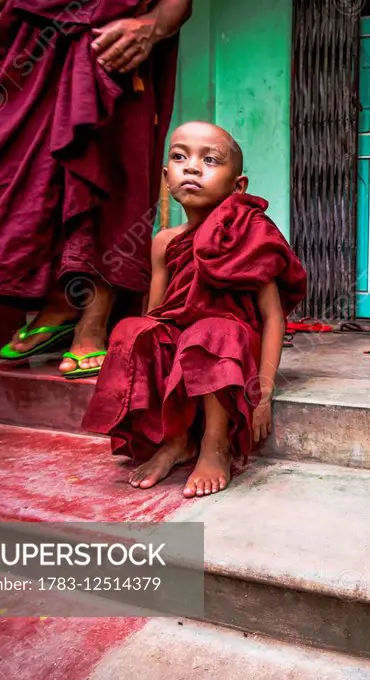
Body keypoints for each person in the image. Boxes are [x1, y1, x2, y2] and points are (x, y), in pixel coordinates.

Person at [0, 0, 191, 378]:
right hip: (29, 46)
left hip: (109, 41)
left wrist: (153, 26)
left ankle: (92, 315)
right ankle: (61, 300)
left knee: (101, 167)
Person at [81, 122, 307, 497]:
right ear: (166, 176)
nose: (192, 167)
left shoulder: (248, 232)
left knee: (210, 330)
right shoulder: (163, 242)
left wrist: (263, 392)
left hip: (233, 345)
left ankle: (214, 444)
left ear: (238, 187)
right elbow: (157, 316)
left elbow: (273, 317)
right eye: (180, 156)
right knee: (133, 330)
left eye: (210, 159)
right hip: (188, 346)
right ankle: (175, 439)